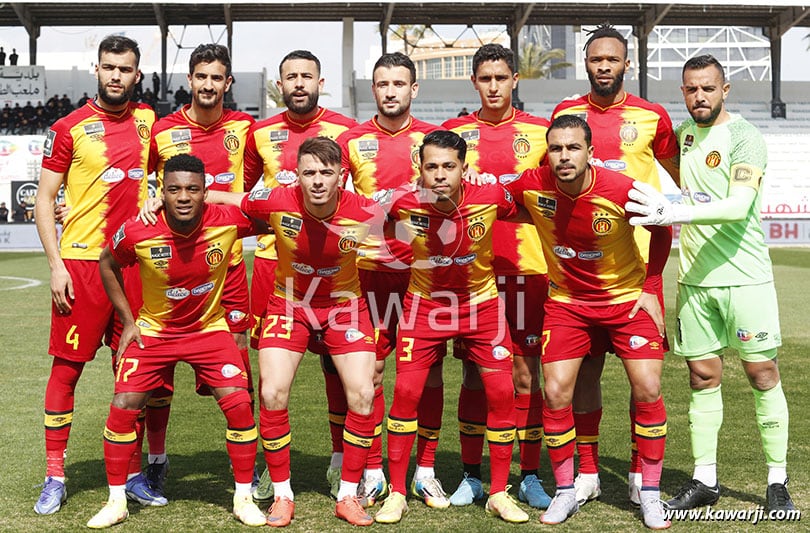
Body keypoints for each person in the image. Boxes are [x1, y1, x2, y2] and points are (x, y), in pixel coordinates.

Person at [624, 54, 795, 513]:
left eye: (707, 88)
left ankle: (777, 479)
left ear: (725, 90)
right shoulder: (683, 134)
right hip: (696, 282)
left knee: (762, 373)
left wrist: (674, 211)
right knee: (703, 377)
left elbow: (738, 205)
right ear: (683, 92)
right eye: (691, 89)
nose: (699, 96)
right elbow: (686, 190)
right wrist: (667, 203)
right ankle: (705, 479)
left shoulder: (744, 137)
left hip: (746, 279)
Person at [507, 115, 672, 528]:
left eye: (573, 147)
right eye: (557, 149)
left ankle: (649, 492)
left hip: (626, 302)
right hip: (567, 304)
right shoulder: (532, 184)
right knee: (558, 391)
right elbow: (497, 200)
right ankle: (568, 489)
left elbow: (662, 228)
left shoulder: (620, 189)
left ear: (590, 152)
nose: (564, 156)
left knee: (648, 386)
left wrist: (651, 285)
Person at [87, 154, 266, 528]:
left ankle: (243, 497)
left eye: (192, 189)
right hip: (155, 331)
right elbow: (107, 262)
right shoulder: (138, 228)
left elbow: (275, 213)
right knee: (123, 405)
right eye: (174, 190)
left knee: (239, 406)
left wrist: (226, 198)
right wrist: (128, 321)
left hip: (209, 331)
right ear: (161, 193)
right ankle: (116, 501)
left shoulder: (228, 220)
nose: (183, 197)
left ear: (205, 192)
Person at [212, 137, 378, 527]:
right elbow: (227, 199)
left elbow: (419, 213)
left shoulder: (367, 211)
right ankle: (283, 495)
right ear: (296, 176)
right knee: (271, 391)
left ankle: (348, 494)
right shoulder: (276, 199)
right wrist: (163, 201)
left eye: (325, 172)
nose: (317, 181)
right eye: (309, 173)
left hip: (343, 305)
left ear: (341, 175)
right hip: (290, 304)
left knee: (363, 394)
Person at [551, 23, 679, 507]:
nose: (603, 66)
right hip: (580, 273)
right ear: (587, 63)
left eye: (612, 59)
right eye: (595, 59)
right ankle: (586, 472)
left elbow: (677, 177)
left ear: (627, 64)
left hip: (637, 269)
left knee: (643, 378)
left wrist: (653, 279)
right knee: (584, 373)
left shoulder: (652, 117)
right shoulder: (566, 113)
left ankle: (637, 474)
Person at [32, 35, 159, 516]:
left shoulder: (149, 121)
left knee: (134, 373)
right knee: (66, 370)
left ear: (137, 75)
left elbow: (174, 174)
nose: (115, 76)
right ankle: (55, 475)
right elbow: (45, 199)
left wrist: (153, 198)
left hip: (133, 265)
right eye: (108, 67)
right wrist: (55, 264)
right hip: (82, 267)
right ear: (97, 70)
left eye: (124, 69)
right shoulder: (68, 127)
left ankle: (129, 474)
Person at [375, 130, 528, 525]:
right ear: (419, 170)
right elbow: (372, 221)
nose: (440, 175)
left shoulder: (491, 196)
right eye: (431, 167)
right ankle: (396, 492)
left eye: (448, 166)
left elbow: (525, 205)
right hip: (424, 307)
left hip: (481, 307)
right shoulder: (403, 202)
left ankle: (497, 492)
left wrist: (492, 181)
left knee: (500, 393)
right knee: (406, 393)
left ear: (465, 168)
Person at [243, 49, 358, 501]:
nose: (297, 84)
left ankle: (337, 459)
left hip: (334, 264)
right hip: (276, 265)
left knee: (338, 365)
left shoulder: (345, 130)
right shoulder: (260, 132)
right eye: (289, 77)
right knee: (270, 371)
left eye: (305, 76)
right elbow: (246, 192)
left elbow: (361, 201)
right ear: (279, 84)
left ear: (320, 81)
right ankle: (268, 465)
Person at [442, 43, 552, 510]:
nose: (493, 86)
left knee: (526, 374)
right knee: (473, 373)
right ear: (474, 82)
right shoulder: (452, 134)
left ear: (514, 80)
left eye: (501, 78)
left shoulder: (543, 133)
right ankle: (471, 474)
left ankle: (528, 474)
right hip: (471, 276)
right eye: (484, 78)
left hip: (528, 268)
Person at [146, 42, 254, 498]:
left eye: (217, 78)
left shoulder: (247, 129)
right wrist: (152, 200)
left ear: (227, 83)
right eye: (201, 76)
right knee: (159, 375)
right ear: (189, 80)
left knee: (239, 373)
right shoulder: (163, 130)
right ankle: (155, 460)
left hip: (227, 269)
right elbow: (144, 181)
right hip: (172, 267)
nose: (208, 85)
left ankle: (251, 468)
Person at [336, 52, 443, 509]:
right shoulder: (351, 140)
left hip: (424, 276)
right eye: (383, 84)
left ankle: (426, 469)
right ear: (373, 89)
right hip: (371, 274)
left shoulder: (434, 141)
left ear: (413, 89)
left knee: (428, 372)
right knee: (373, 371)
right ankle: (375, 469)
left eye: (400, 83)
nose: (391, 91)